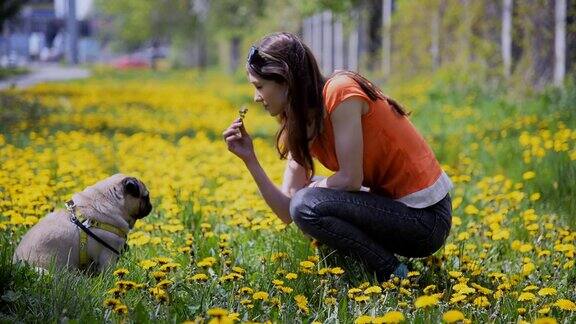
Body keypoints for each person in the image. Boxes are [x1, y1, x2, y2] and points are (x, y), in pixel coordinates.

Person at [223, 32, 452, 281]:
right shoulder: (299, 123)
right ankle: (386, 270)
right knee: (306, 202)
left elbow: (351, 180)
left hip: (427, 219)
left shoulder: (339, 92)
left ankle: (393, 273)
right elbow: (288, 211)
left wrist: (313, 188)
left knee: (309, 200)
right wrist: (250, 160)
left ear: (285, 80)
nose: (256, 97)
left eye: (259, 86)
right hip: (395, 212)